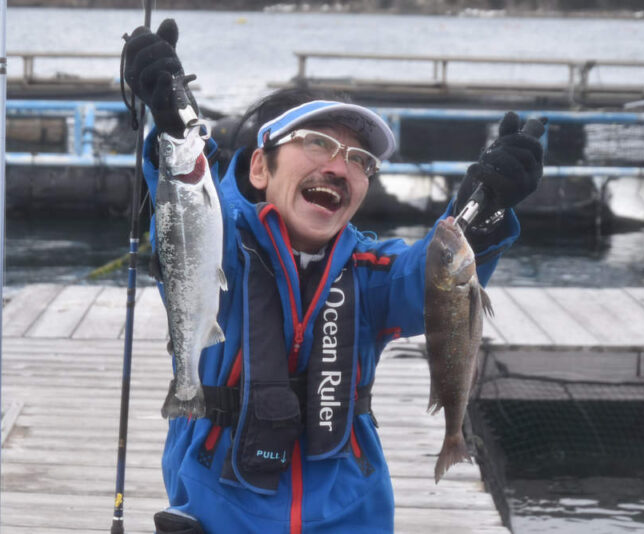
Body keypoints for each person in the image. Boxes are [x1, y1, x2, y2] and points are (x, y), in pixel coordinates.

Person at [123, 19, 543, 534]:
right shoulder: (221, 246)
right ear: (261, 168)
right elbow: (187, 204)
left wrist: (486, 206)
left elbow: (433, 275)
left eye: (361, 159)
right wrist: (173, 119)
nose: (341, 167)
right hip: (220, 513)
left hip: (350, 515)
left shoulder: (371, 272)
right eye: (318, 143)